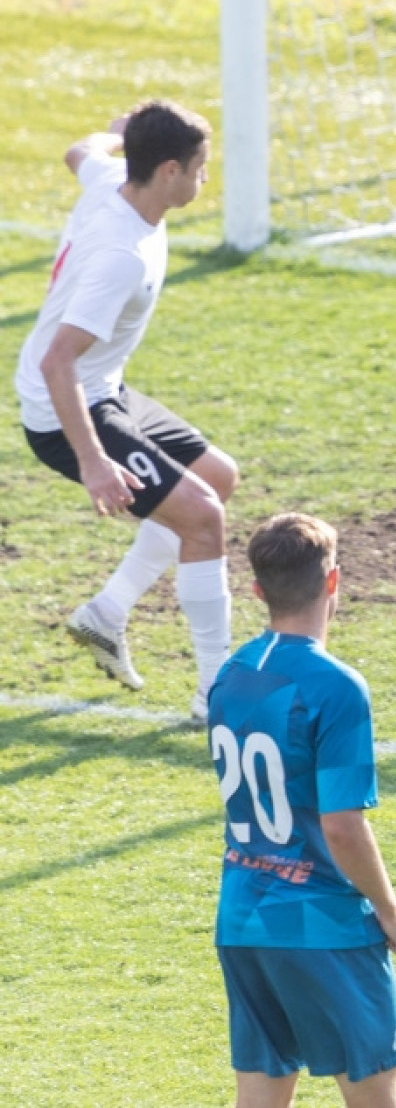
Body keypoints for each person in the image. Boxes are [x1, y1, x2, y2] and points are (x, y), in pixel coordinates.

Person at [14, 101, 236, 717]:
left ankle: (105, 614)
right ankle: (218, 695)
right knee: (203, 517)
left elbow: (78, 152)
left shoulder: (112, 178)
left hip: (98, 386)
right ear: (169, 170)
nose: (204, 180)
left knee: (217, 476)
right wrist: (93, 462)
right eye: (200, 168)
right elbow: (57, 361)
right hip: (66, 408)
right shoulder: (122, 258)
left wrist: (116, 138)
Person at [208, 513, 396, 1106]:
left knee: (262, 1091)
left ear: (257, 591)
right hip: (322, 924)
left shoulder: (231, 673)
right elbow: (342, 826)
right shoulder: (336, 686)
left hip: (244, 916)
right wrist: (387, 907)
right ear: (333, 582)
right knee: (375, 1089)